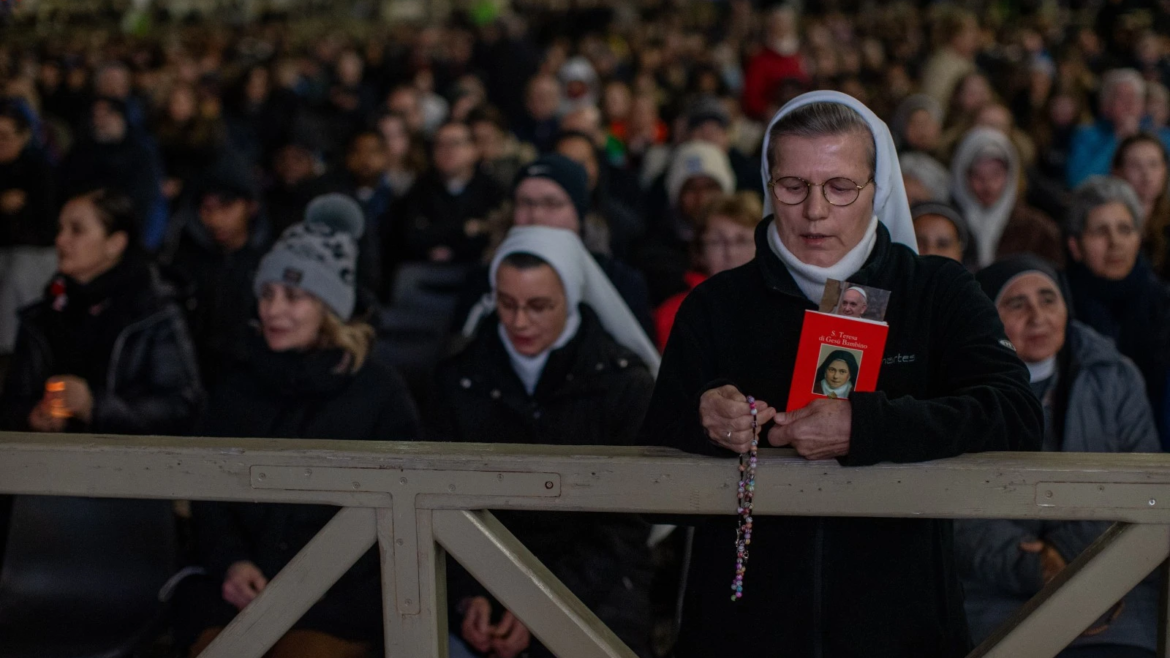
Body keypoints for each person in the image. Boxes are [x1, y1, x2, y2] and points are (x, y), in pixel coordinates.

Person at [639, 91, 1042, 657]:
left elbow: (1018, 419)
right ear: (766, 184)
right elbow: (650, 476)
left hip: (900, 624)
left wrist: (868, 427)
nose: (815, 211)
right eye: (793, 186)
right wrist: (703, 417)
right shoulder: (715, 305)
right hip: (744, 631)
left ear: (877, 191)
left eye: (840, 187)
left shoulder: (936, 291)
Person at [179, 193, 421, 658]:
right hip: (239, 591)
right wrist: (232, 562)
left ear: (328, 308)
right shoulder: (236, 381)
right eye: (267, 294)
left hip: (339, 601)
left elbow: (401, 509)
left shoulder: (379, 391)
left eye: (293, 296)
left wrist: (311, 581)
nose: (273, 310)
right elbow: (207, 492)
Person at [436, 225, 658, 658]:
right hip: (481, 575)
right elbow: (442, 499)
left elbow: (626, 524)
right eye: (506, 303)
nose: (519, 322)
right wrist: (469, 594)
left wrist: (542, 602)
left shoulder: (623, 384)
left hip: (596, 583)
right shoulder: (457, 379)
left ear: (571, 298)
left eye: (539, 306)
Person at [958, 255, 1161, 658]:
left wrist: (1068, 560)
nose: (1038, 316)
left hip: (1114, 591)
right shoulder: (960, 391)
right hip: (999, 597)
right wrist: (1034, 567)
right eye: (1016, 304)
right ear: (987, 320)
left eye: (1048, 299)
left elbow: (1146, 489)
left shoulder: (1115, 376)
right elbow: (956, 512)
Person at [0, 188, 202, 435]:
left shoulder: (154, 315)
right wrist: (31, 416)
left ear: (115, 243)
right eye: (60, 229)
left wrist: (95, 407)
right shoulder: (41, 316)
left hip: (132, 466)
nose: (61, 240)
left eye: (77, 230)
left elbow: (182, 406)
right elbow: (12, 401)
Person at [456, 154, 655, 341]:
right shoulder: (483, 280)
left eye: (552, 204)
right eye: (525, 203)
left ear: (579, 214)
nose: (536, 216)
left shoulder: (620, 281)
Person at [1064, 176, 1170, 445]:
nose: (1115, 243)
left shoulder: (1162, 302)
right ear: (1075, 246)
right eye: (1100, 231)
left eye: (1125, 229)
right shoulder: (1057, 306)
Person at [160, 163, 273, 389]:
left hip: (255, 384)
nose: (215, 218)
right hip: (194, 382)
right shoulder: (182, 264)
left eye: (227, 206)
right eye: (207, 208)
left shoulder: (272, 264)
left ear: (251, 207)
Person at [654, 193, 761, 351]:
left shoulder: (784, 307)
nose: (730, 253)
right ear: (699, 252)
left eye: (741, 240)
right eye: (717, 242)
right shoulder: (674, 314)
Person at [61, 98, 168, 250]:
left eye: (107, 115)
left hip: (128, 229)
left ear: (120, 117)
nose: (101, 121)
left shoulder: (140, 151)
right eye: (96, 116)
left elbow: (145, 195)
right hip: (86, 231)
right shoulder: (80, 151)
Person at [951, 127, 1063, 268]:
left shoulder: (1037, 230)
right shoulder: (949, 226)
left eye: (996, 174)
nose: (988, 185)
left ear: (1010, 175)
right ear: (963, 177)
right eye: (977, 175)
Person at [398, 121, 506, 264]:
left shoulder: (492, 189)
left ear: (473, 150)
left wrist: (449, 244)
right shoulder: (421, 188)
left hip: (476, 267)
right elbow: (411, 237)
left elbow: (490, 235)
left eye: (455, 143)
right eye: (440, 145)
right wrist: (463, 229)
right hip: (429, 267)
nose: (447, 151)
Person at [0, 102, 59, 355]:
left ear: (24, 136)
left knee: (17, 277)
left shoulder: (40, 171)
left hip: (32, 253)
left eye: (5, 136)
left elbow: (45, 225)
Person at [1067, 69, 1170, 188]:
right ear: (1105, 105)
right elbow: (1078, 182)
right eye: (1122, 98)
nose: (1129, 103)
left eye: (1135, 97)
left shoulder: (1161, 136)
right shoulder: (1086, 135)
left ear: (1142, 106)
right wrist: (1117, 138)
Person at [1112, 133, 1170, 277]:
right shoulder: (1107, 222)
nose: (1146, 174)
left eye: (1153, 164)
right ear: (1118, 172)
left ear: (1164, 170)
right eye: (1135, 165)